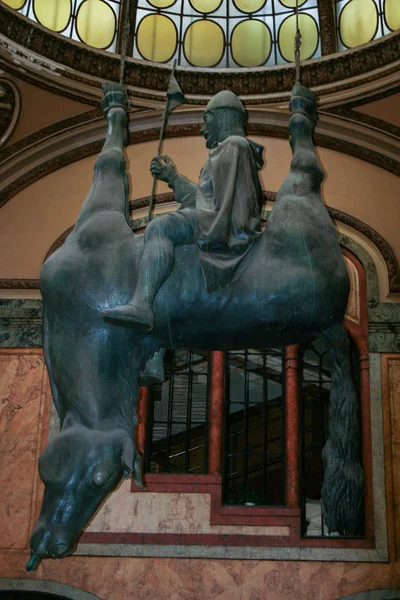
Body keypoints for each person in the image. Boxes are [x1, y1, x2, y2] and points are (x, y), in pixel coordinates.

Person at [103, 90, 265, 331]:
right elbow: (205, 197)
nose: (202, 130)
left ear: (221, 118)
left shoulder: (233, 146)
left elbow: (213, 205)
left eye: (206, 121)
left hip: (226, 224)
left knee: (160, 227)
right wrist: (172, 177)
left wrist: (174, 179)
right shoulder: (233, 149)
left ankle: (142, 305)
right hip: (219, 216)